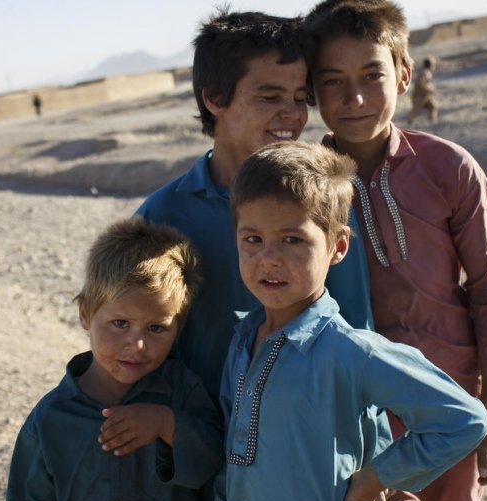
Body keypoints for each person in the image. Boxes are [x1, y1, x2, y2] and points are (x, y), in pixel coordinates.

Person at [302, 1, 487, 501]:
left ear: (403, 74)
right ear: (312, 91)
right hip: (357, 410)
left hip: (449, 401)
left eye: (371, 76)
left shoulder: (449, 169)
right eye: (333, 81)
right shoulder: (305, 185)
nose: (354, 98)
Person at [209, 141, 487, 501]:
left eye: (292, 240)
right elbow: (235, 463)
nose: (268, 258)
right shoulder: (241, 343)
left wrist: (376, 478)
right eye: (252, 239)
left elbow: (464, 419)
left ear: (337, 246)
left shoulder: (350, 352)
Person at [135, 8, 372, 404]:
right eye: (270, 96)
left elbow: (357, 329)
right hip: (202, 442)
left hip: (304, 432)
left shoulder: (321, 200)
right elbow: (140, 341)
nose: (293, 114)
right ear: (215, 97)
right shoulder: (163, 216)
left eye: (300, 98)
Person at [3, 218, 223, 501]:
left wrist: (166, 424)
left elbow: (218, 466)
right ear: (85, 313)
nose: (136, 345)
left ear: (179, 326)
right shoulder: (51, 422)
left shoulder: (182, 392)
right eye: (120, 323)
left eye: (156, 328)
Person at [409, 57, 438, 126]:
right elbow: (419, 82)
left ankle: (431, 124)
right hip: (420, 96)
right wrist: (429, 89)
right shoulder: (425, 73)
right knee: (415, 112)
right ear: (430, 65)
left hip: (425, 96)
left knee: (433, 106)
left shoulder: (426, 72)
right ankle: (409, 123)